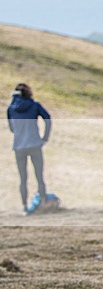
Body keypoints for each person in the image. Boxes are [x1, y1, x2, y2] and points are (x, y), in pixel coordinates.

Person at [7, 83, 52, 216]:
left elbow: (11, 128)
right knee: (39, 176)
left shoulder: (10, 108)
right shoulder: (34, 105)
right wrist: (45, 137)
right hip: (35, 145)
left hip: (19, 146)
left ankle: (24, 207)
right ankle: (43, 204)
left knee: (23, 179)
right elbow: (48, 119)